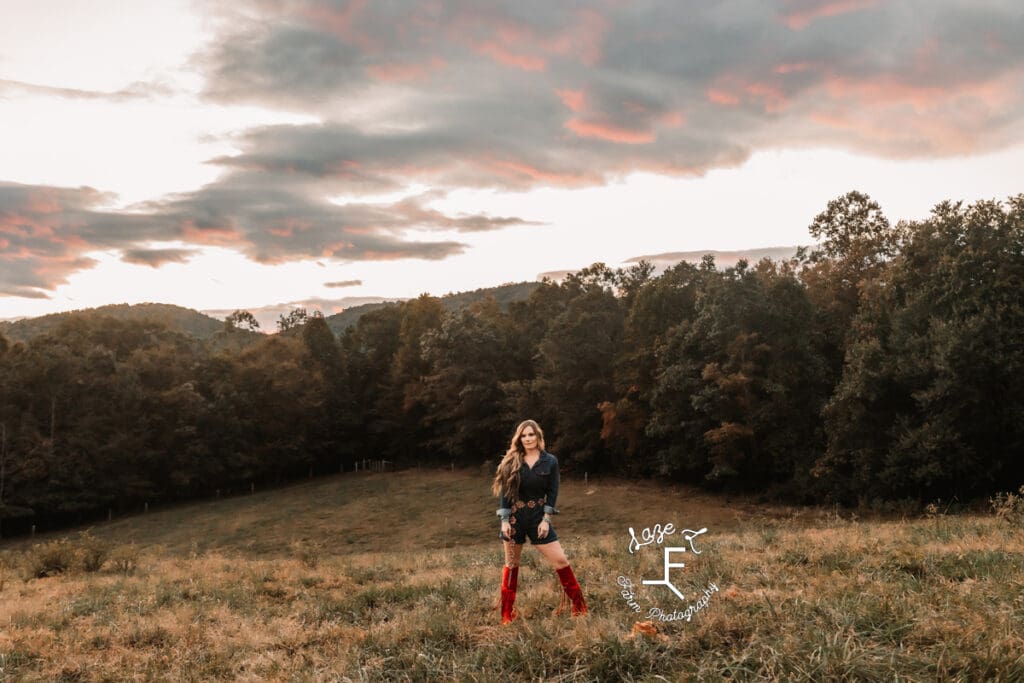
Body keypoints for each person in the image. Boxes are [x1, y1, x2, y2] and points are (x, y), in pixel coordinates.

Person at [492, 419, 587, 625]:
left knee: (561, 560)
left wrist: (546, 519)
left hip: (537, 518)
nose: (528, 439)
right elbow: (506, 495)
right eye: (524, 435)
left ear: (538, 437)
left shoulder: (550, 461)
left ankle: (579, 607)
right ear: (520, 438)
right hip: (515, 518)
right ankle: (507, 615)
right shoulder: (512, 461)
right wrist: (505, 521)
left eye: (531, 435)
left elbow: (552, 492)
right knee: (511, 564)